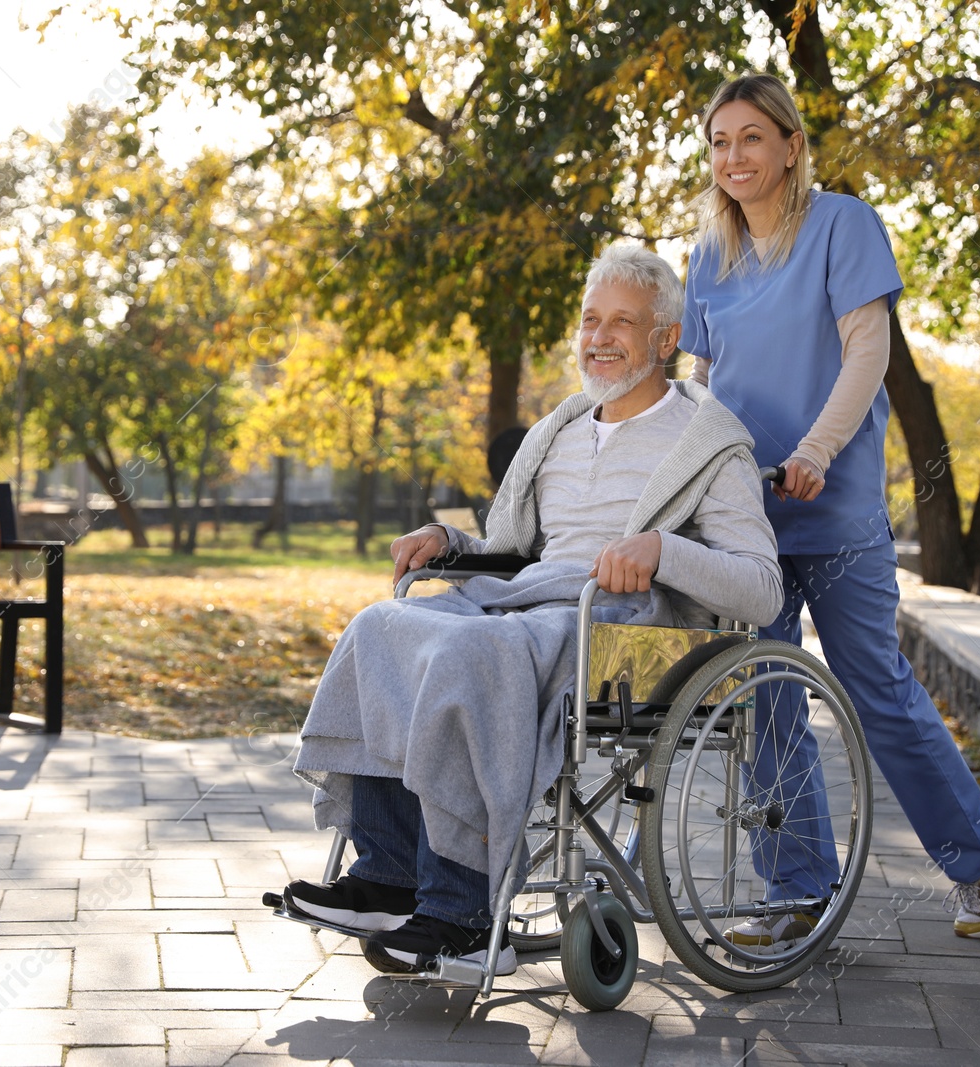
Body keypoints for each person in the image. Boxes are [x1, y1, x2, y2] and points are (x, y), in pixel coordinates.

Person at [282, 244, 784, 976]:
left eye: (622, 321)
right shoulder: (562, 430)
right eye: (589, 320)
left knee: (471, 653)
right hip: (528, 602)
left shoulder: (708, 445)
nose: (599, 336)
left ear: (665, 339)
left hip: (621, 627)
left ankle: (461, 909)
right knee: (379, 628)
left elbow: (762, 587)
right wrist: (448, 540)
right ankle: (389, 871)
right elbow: (512, 549)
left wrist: (660, 551)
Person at [678, 72, 980, 945]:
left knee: (874, 688)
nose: (734, 157)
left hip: (831, 509)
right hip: (744, 520)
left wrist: (815, 453)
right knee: (762, 696)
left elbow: (866, 352)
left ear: (791, 145)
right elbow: (703, 383)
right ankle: (800, 890)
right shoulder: (708, 257)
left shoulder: (842, 224)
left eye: (751, 138)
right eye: (720, 142)